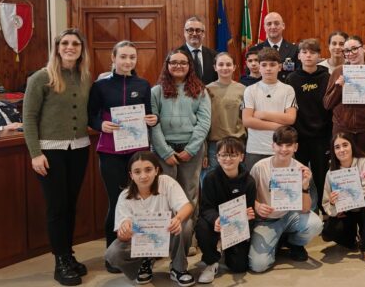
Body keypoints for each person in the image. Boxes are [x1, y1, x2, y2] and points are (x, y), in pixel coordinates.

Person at [23, 28, 92, 286]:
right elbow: (28, 118)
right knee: (56, 207)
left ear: (81, 49)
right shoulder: (40, 78)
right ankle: (60, 261)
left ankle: (68, 253)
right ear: (57, 47)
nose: (70, 47)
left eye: (75, 43)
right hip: (50, 151)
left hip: (79, 149)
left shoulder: (84, 77)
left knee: (71, 205)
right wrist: (35, 154)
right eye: (65, 43)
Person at [87, 40, 158, 273]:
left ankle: (144, 250)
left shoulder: (143, 84)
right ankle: (112, 255)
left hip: (137, 154)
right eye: (123, 57)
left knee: (142, 201)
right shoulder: (101, 86)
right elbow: (92, 116)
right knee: (117, 201)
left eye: (132, 57)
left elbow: (149, 114)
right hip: (110, 152)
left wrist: (152, 120)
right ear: (114, 59)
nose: (128, 61)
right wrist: (101, 124)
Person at [105, 151, 195, 286]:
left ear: (156, 170)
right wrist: (125, 231)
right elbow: (121, 236)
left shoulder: (167, 182)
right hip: (140, 241)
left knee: (186, 225)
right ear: (131, 175)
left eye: (148, 170)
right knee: (112, 253)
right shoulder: (125, 196)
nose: (143, 176)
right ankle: (142, 265)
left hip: (167, 235)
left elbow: (187, 206)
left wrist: (177, 218)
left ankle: (178, 268)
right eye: (137, 172)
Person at [248, 126, 324, 273]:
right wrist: (257, 206)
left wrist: (305, 185)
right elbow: (247, 197)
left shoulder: (301, 169)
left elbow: (305, 209)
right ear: (273, 146)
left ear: (295, 147)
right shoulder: (259, 167)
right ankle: (276, 241)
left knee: (315, 224)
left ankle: (293, 243)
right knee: (258, 266)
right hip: (266, 220)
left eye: (288, 145)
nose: (284, 149)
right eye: (279, 144)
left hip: (289, 216)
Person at [151, 49, 212, 208]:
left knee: (189, 193)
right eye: (174, 62)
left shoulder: (199, 90)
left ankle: (187, 232)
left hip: (191, 149)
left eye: (183, 62)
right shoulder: (156, 91)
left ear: (189, 66)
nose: (178, 65)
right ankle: (169, 232)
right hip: (163, 150)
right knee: (164, 194)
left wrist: (191, 149)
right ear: (167, 65)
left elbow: (204, 122)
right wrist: (165, 152)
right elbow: (153, 124)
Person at [195, 138, 256, 283]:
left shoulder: (249, 181)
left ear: (241, 157)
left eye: (233, 155)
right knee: (202, 226)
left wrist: (246, 218)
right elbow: (206, 208)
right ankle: (211, 261)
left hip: (237, 226)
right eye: (223, 155)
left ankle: (228, 249)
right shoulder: (210, 178)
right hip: (216, 222)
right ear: (217, 157)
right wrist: (216, 219)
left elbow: (250, 211)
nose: (227, 159)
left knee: (239, 267)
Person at [286, 38, 333, 211]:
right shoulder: (292, 78)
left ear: (319, 56)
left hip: (321, 137)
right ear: (299, 55)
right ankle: (300, 211)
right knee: (299, 176)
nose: (308, 56)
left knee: (321, 177)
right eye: (304, 52)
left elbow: (330, 108)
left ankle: (324, 211)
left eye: (312, 52)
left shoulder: (327, 77)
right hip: (300, 137)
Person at [323, 36, 365, 165]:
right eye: (346, 51)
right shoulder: (338, 72)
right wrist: (338, 88)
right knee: (341, 166)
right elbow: (327, 104)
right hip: (342, 129)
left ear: (364, 48)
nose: (350, 54)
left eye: (354, 49)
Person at [321, 132, 365, 264]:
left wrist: (351, 197)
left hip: (363, 210)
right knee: (329, 232)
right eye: (337, 147)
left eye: (345, 145)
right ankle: (352, 239)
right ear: (333, 151)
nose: (342, 150)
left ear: (352, 146)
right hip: (345, 213)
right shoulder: (331, 172)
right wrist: (334, 204)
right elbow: (326, 201)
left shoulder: (363, 162)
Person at [242, 47, 298, 170]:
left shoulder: (288, 89)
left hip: (282, 148)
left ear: (279, 67)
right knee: (256, 188)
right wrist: (278, 126)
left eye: (272, 65)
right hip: (256, 149)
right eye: (264, 65)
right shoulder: (250, 90)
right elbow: (247, 121)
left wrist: (262, 115)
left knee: (284, 188)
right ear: (259, 67)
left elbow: (290, 118)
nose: (268, 68)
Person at [203, 52, 246, 182]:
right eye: (220, 64)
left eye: (228, 64)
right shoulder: (207, 90)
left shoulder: (243, 89)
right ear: (215, 67)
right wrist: (204, 152)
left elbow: (245, 118)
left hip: (237, 142)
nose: (224, 67)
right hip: (214, 145)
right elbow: (203, 121)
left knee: (236, 181)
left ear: (234, 67)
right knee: (212, 181)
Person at [249, 12, 299, 82]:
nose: (273, 27)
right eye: (269, 24)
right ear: (264, 27)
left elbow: (298, 74)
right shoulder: (255, 50)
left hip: (287, 89)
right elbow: (251, 76)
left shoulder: (294, 49)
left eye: (276, 23)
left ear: (283, 26)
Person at [178, 16, 218, 84]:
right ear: (185, 32)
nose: (194, 34)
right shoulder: (176, 55)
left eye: (198, 30)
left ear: (203, 34)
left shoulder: (214, 55)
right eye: (190, 30)